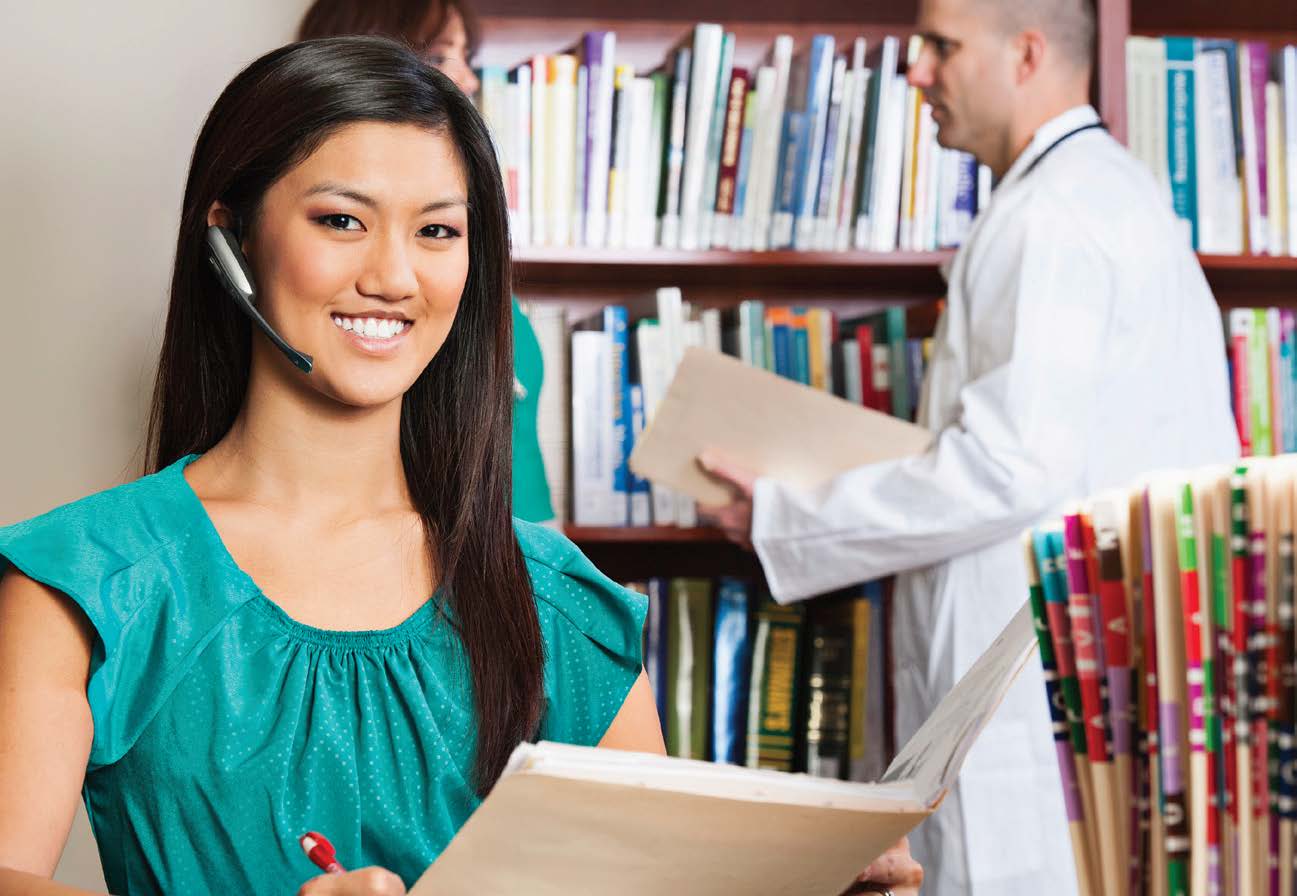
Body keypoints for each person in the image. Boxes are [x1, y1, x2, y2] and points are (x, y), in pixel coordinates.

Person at [0, 36, 920, 896]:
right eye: (341, 220)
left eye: (437, 232)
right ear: (232, 237)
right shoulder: (88, 582)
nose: (395, 276)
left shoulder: (553, 600)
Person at [698, 0, 1240, 894]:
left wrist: (787, 513)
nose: (915, 71)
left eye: (940, 47)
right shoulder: (1099, 193)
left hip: (1039, 687)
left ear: (1026, 54)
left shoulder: (1052, 218)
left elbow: (1009, 465)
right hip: (1097, 668)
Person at [298, 0, 555, 525]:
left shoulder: (456, 276)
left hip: (515, 561)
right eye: (440, 58)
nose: (468, 79)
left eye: (437, 230)